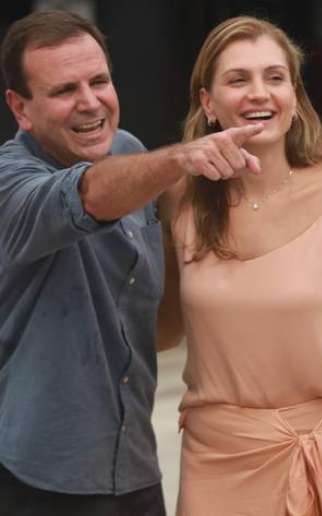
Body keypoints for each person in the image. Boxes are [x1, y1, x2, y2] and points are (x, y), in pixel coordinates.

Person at [0, 10, 272, 516]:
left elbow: (158, 325)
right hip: (38, 482)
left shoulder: (130, 154)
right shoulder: (10, 183)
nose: (90, 103)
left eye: (99, 81)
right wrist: (179, 161)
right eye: (64, 90)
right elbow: (88, 193)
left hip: (135, 470)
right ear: (20, 108)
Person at [158, 16, 322, 515]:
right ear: (207, 103)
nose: (258, 93)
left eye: (274, 77)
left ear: (294, 95)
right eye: (238, 80)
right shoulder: (176, 200)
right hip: (221, 464)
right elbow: (160, 329)